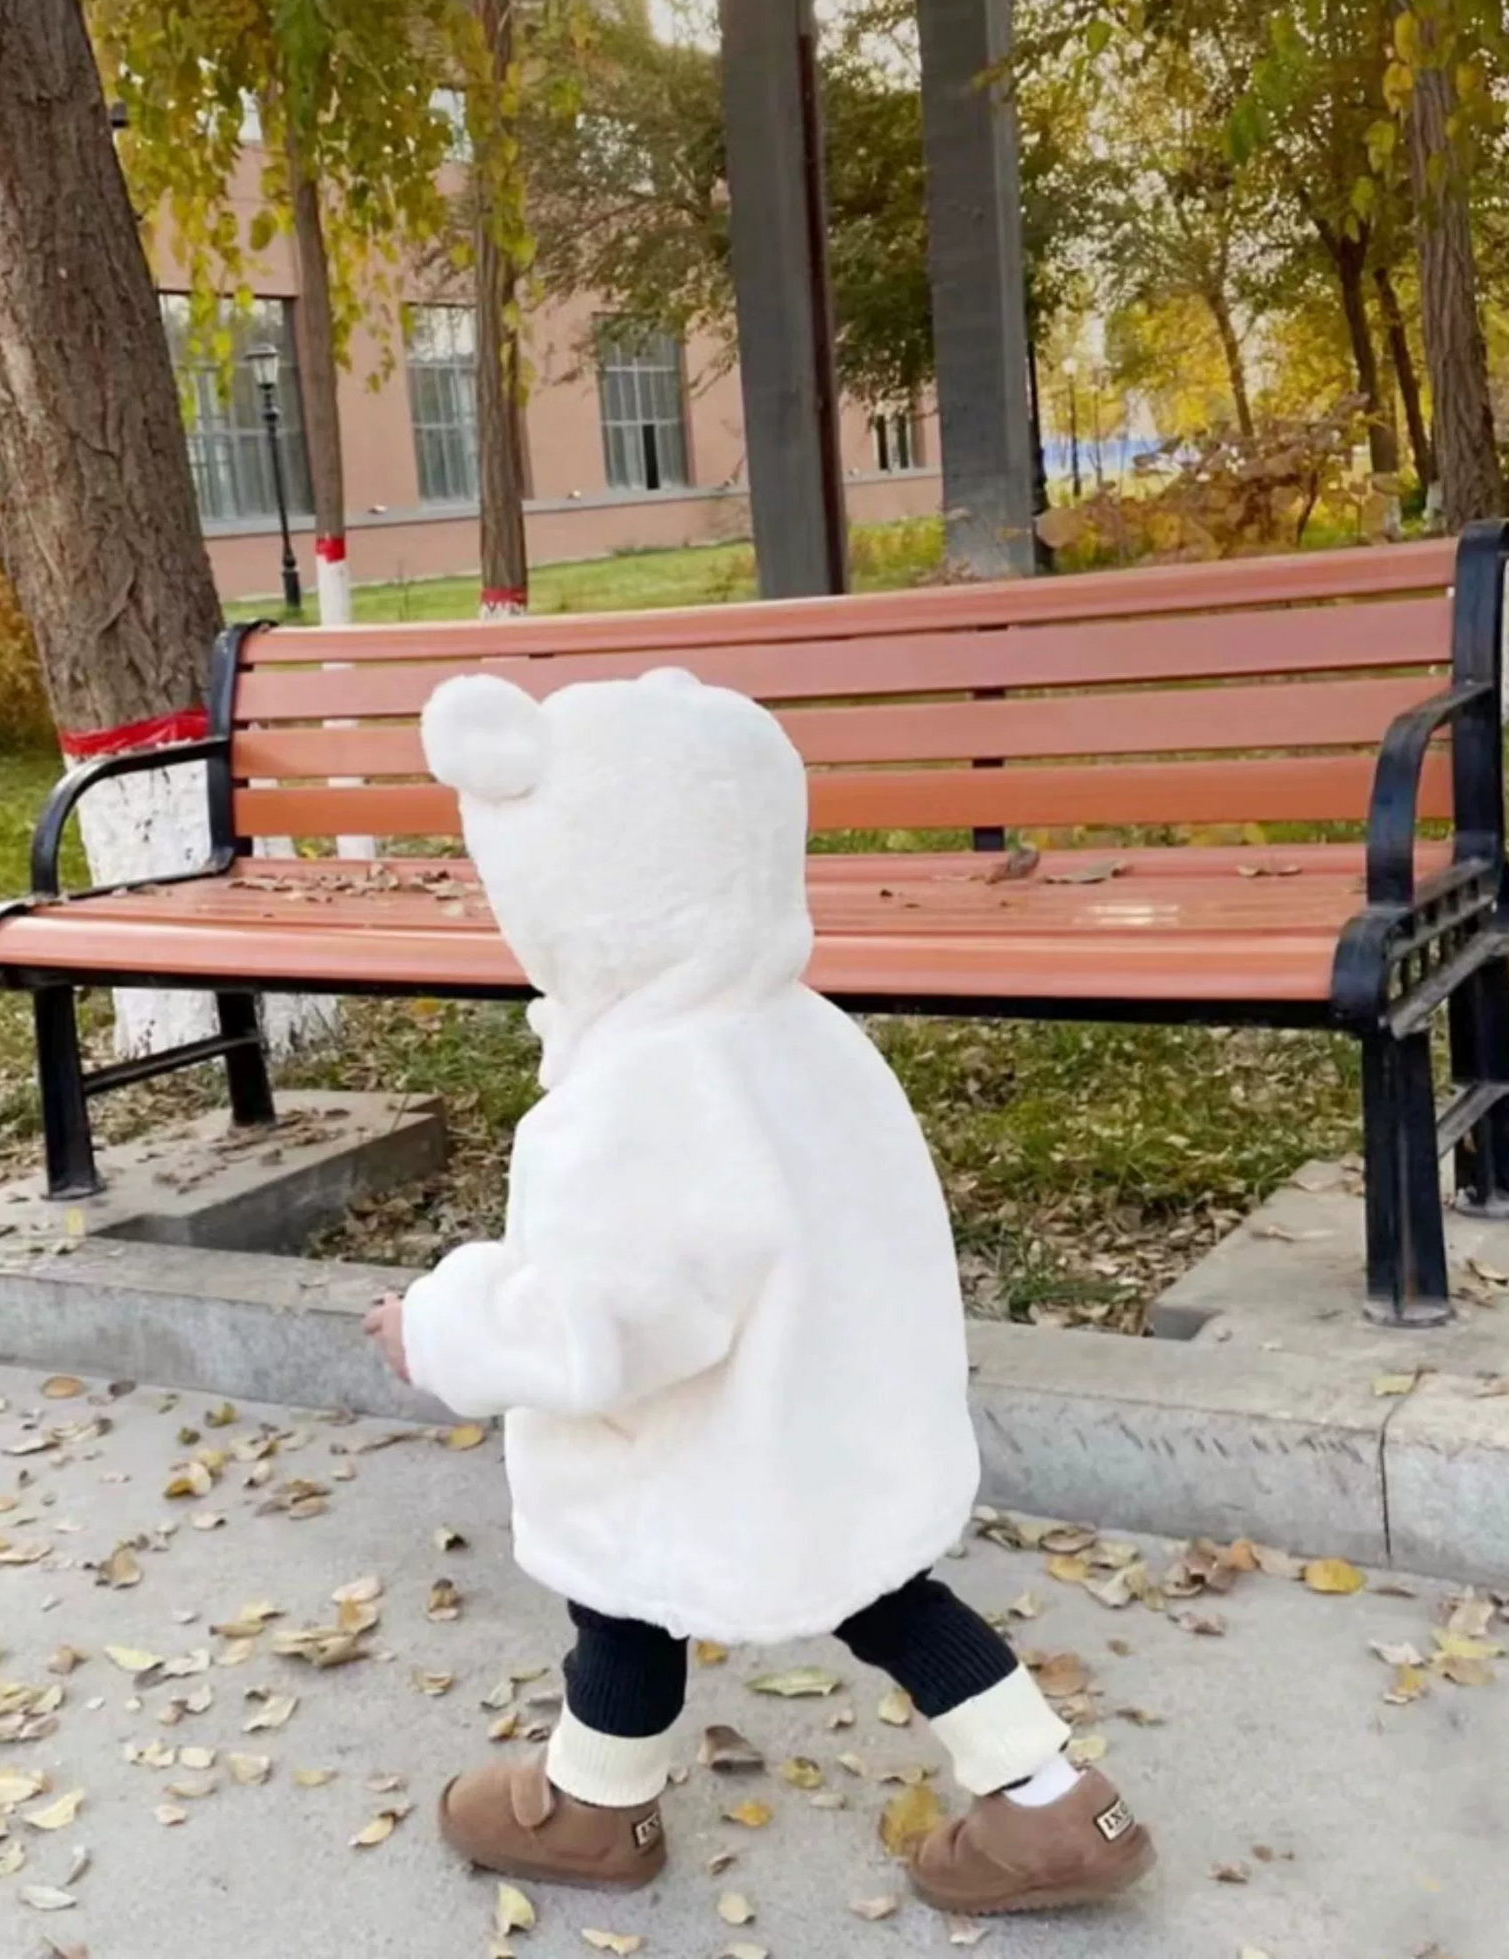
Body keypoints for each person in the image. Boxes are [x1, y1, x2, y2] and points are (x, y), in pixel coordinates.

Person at [361, 665, 1154, 1918]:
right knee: (887, 1598)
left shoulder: (640, 1092)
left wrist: (446, 1325)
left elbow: (607, 1320)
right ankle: (1054, 1798)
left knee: (621, 1586)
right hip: (827, 1405)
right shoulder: (801, 1028)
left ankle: (593, 1806)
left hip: (704, 1426)